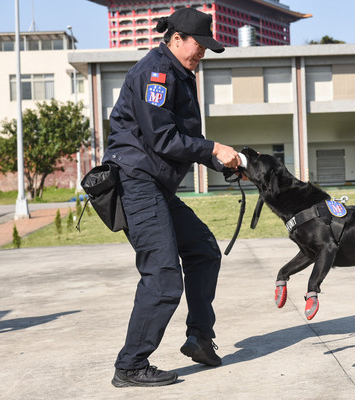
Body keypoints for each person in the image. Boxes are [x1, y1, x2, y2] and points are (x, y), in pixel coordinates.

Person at [103, 8, 242, 388]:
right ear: (176, 38)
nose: (202, 54)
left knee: (202, 249)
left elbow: (179, 140)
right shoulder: (157, 74)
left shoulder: (179, 72)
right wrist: (214, 149)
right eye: (198, 46)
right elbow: (162, 138)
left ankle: (200, 337)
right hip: (137, 182)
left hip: (155, 185)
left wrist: (221, 162)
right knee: (163, 276)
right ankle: (130, 365)